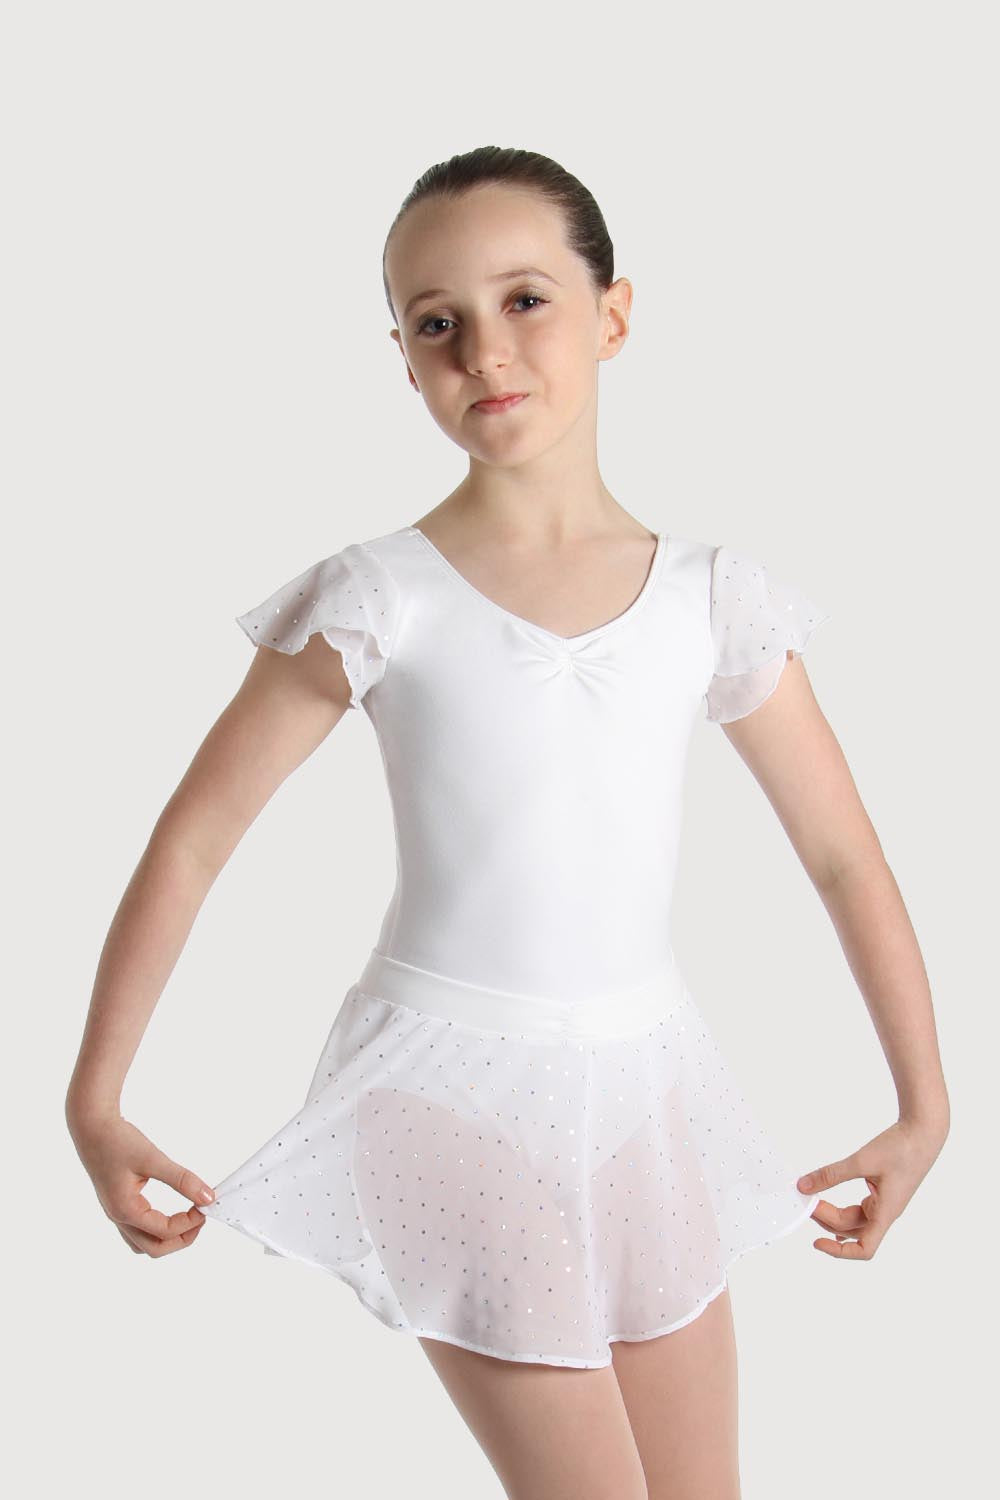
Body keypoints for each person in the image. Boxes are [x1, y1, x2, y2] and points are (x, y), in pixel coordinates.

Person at [65, 146, 950, 1500]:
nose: (484, 348)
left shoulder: (712, 598)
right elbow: (193, 839)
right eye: (438, 322)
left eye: (525, 299)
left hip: (648, 1092)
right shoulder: (380, 596)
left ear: (614, 314)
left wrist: (924, 1102)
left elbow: (843, 856)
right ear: (403, 359)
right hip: (450, 1094)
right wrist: (97, 1094)